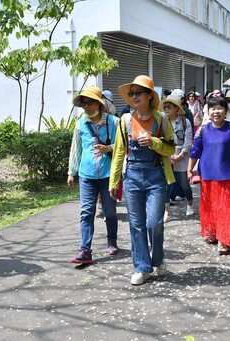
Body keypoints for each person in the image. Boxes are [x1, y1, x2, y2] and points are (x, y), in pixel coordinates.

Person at [109, 75, 175, 285]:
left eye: (138, 93)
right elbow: (119, 151)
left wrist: (154, 142)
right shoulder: (125, 121)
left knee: (154, 222)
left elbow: (171, 148)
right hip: (132, 177)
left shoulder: (161, 120)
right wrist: (114, 181)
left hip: (156, 175)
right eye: (132, 93)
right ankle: (142, 267)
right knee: (136, 225)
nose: (134, 96)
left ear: (149, 95)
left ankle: (158, 259)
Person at [187, 96, 230, 255]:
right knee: (211, 207)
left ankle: (224, 239)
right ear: (208, 111)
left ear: (226, 111)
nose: (216, 111)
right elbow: (195, 152)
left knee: (227, 209)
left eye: (220, 108)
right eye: (213, 108)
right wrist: (189, 169)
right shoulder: (203, 130)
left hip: (229, 176)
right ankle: (213, 232)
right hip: (208, 175)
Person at [68, 85, 120, 264]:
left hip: (108, 174)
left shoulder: (113, 122)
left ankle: (112, 240)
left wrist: (108, 148)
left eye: (90, 103)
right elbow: (76, 149)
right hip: (86, 174)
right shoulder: (80, 123)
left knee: (110, 211)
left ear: (99, 103)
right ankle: (85, 249)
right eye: (84, 104)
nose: (87, 106)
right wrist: (71, 172)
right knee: (86, 212)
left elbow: (121, 147)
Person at [159, 95, 194, 222]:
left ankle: (189, 203)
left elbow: (188, 142)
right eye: (165, 106)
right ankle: (166, 212)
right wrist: (167, 155)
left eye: (169, 106)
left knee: (184, 183)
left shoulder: (185, 122)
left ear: (176, 108)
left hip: (182, 156)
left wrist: (180, 155)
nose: (166, 109)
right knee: (167, 184)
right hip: (166, 156)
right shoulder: (162, 121)